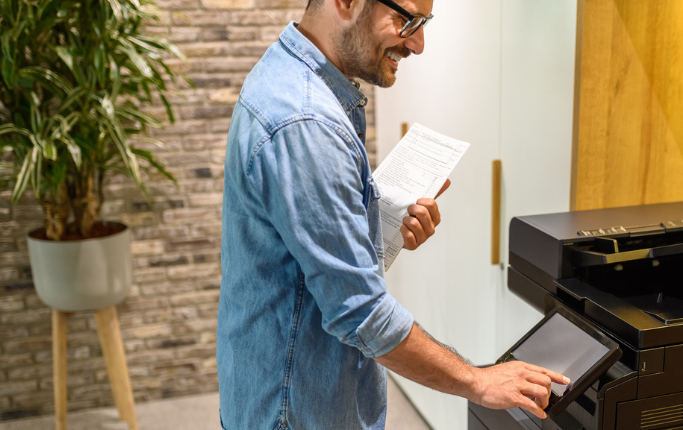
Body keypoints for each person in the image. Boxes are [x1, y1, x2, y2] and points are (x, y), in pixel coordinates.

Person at [217, 0, 568, 428]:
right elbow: (361, 313)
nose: (418, 44)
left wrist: (378, 217)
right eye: (408, 20)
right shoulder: (306, 122)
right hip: (297, 409)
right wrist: (478, 381)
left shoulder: (292, 76)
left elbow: (299, 246)